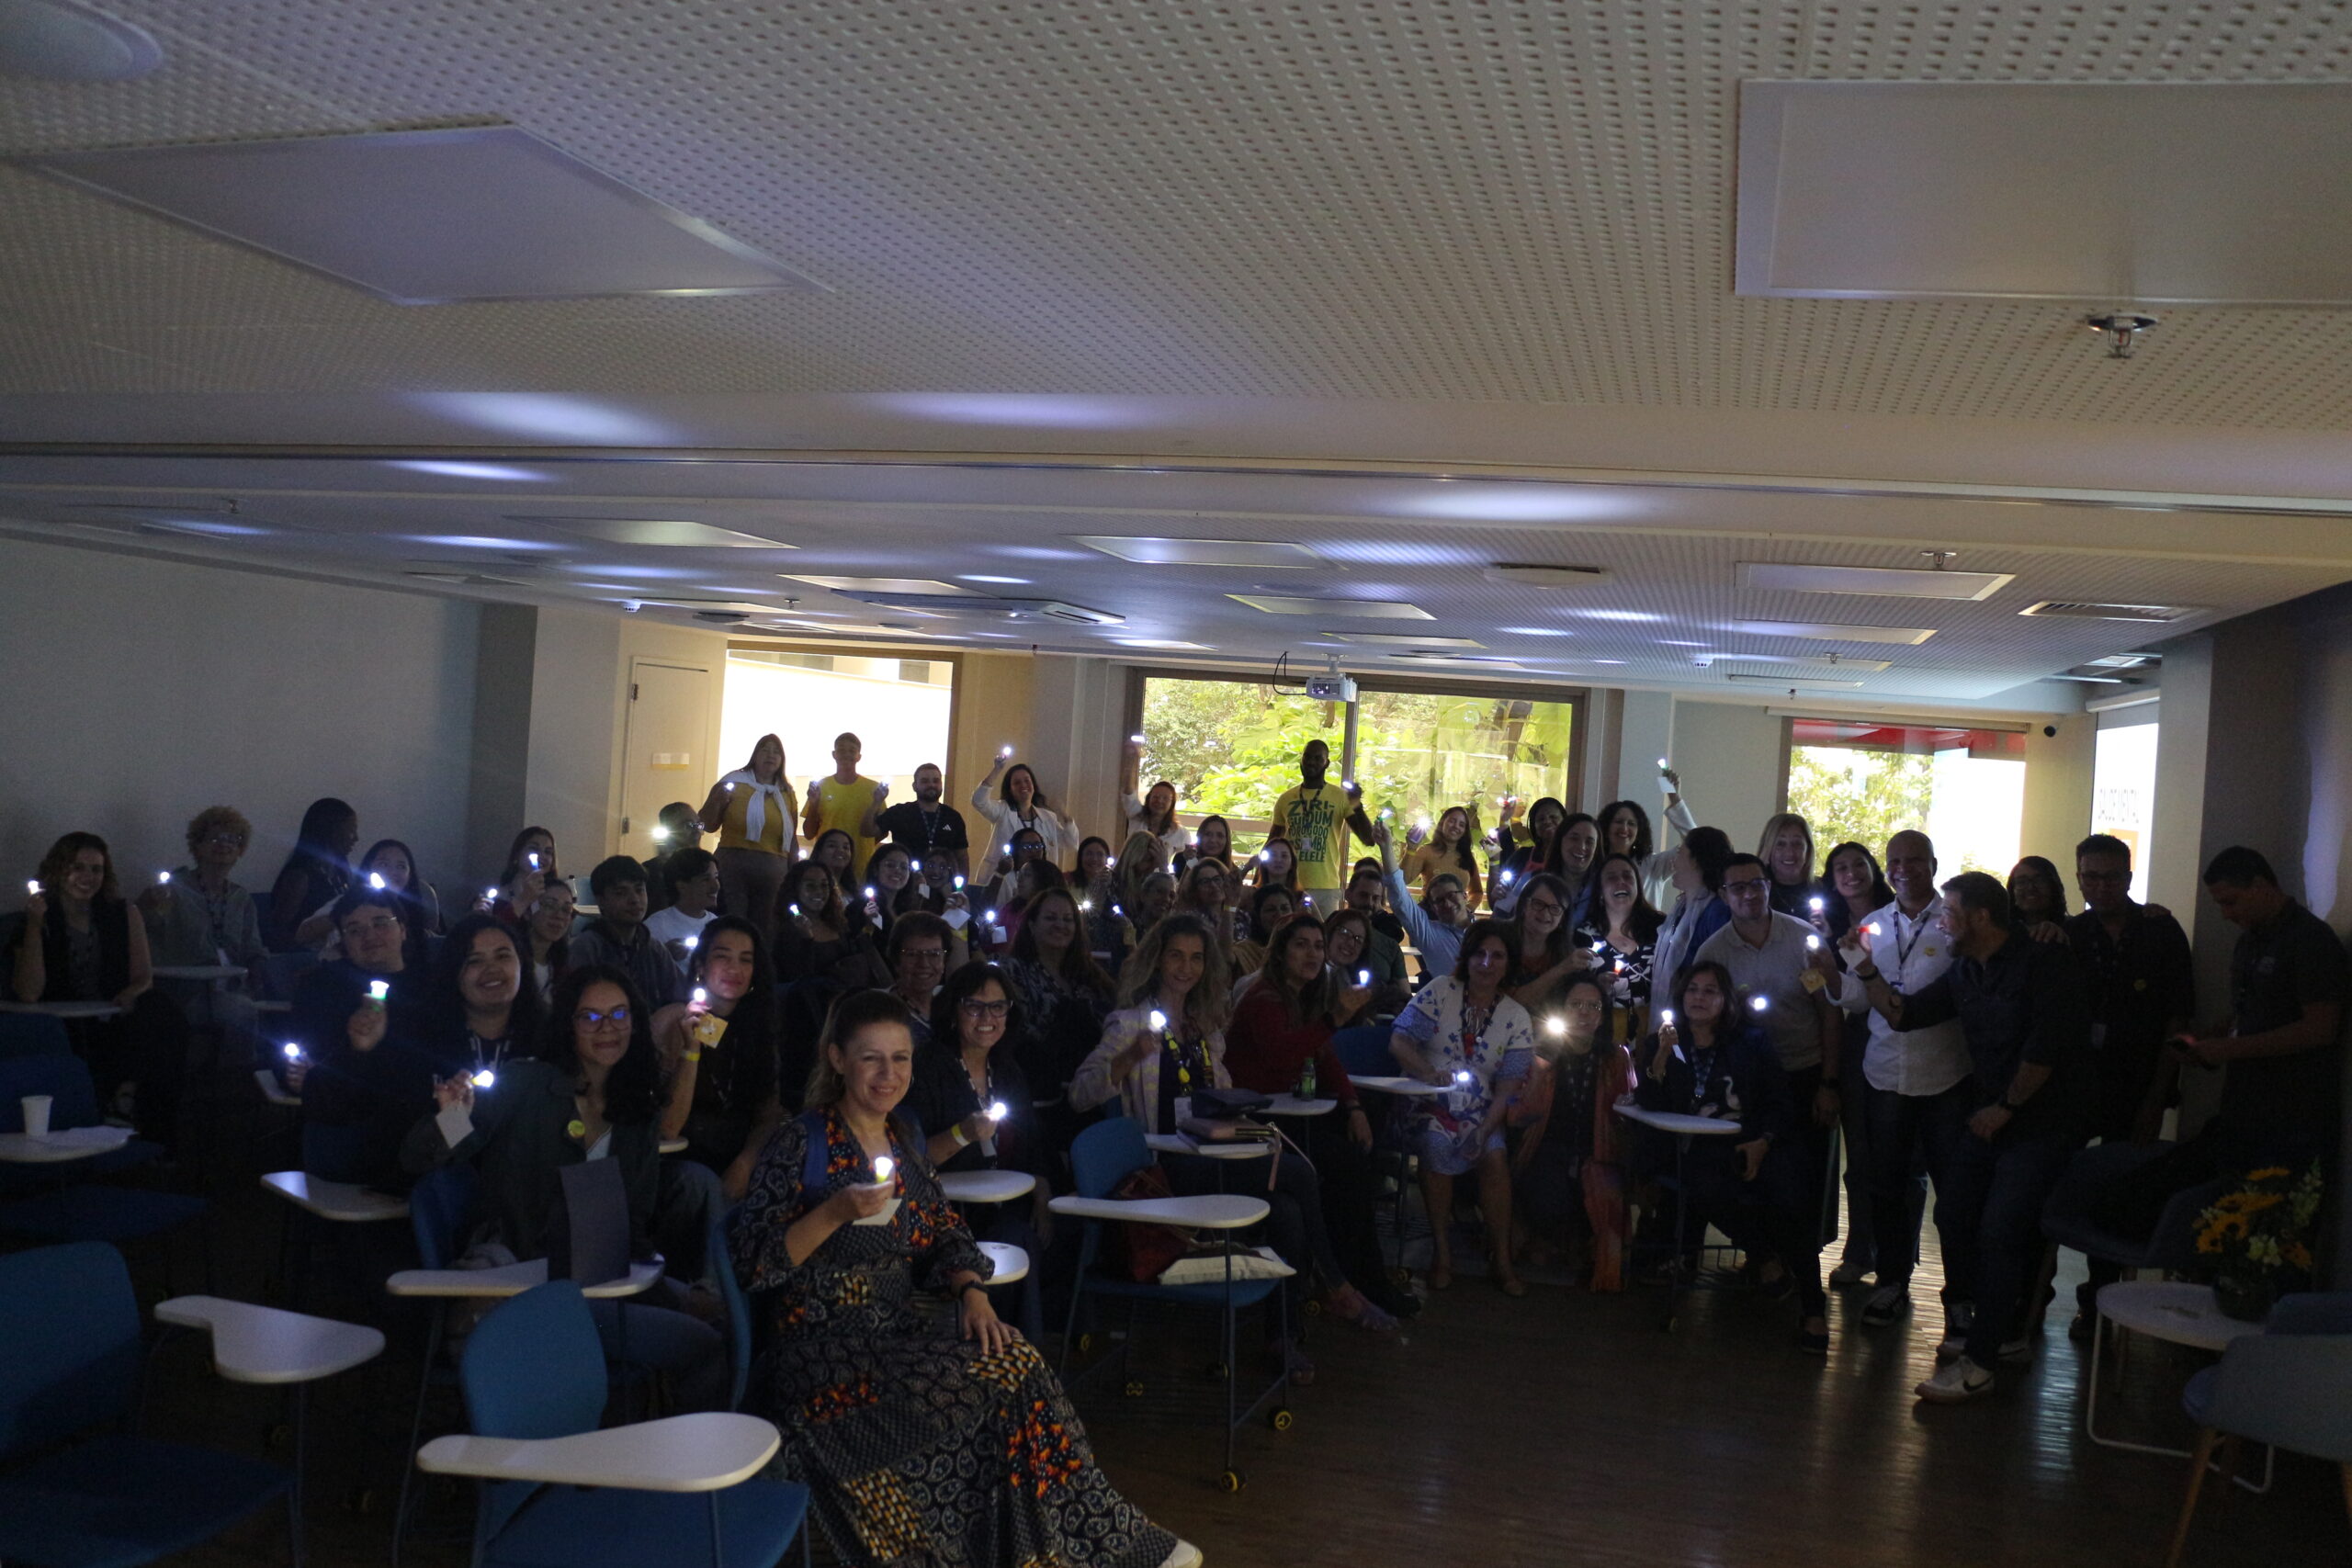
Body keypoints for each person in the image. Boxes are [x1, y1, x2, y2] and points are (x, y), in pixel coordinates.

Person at [731, 989, 1199, 1568]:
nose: (888, 1073)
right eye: (871, 1058)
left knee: (1017, 1364)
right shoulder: (800, 1143)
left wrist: (971, 1290)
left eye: (900, 1058)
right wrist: (833, 1213)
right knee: (996, 1388)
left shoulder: (901, 1137)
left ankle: (1085, 1539)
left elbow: (943, 1229)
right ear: (836, 1059)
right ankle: (1081, 1545)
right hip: (821, 1355)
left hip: (894, 1333)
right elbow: (754, 1264)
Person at [409, 966, 727, 1412]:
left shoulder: (638, 1107)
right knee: (698, 1340)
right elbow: (434, 1153)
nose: (607, 1029)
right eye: (590, 1017)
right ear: (568, 1025)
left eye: (618, 1015)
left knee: (715, 1323)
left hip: (601, 1279)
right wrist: (451, 1114)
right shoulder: (526, 1083)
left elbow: (632, 1220)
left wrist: (668, 1293)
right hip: (525, 1280)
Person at [1839, 872, 2093, 1401]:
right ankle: (1994, 1332)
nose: (1942, 922)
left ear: (1979, 918)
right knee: (1954, 1212)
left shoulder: (2045, 959)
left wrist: (2006, 1107)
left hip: (2041, 1123)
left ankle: (1981, 1359)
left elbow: (2045, 1049)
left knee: (2001, 1230)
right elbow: (1905, 1016)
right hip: (1990, 1117)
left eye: (1949, 913)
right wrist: (1864, 968)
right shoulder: (1965, 971)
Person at [1070, 915, 1344, 1382]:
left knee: (1287, 1212)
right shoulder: (1130, 1022)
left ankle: (1282, 1335)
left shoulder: (1205, 1026)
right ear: (1158, 959)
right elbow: (1080, 1093)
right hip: (1164, 1169)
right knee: (1298, 1174)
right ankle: (1336, 1284)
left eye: (1196, 957)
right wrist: (1130, 1057)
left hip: (1210, 1155)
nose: (1186, 967)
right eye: (1176, 955)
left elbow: (1223, 1092)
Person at [2086, 846, 2348, 1261]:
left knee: (2275, 1241)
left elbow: (2320, 1029)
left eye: (2231, 901)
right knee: (2223, 1228)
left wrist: (2226, 1048)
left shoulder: (2311, 941)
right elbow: (2252, 1016)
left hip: (2295, 1116)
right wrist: (2209, 1037)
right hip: (2245, 1110)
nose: (2225, 913)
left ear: (2261, 886)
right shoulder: (2251, 942)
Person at [1634, 960, 1827, 1350]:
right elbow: (1650, 1105)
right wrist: (1660, 1060)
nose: (1699, 998)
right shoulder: (1664, 1041)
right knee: (1705, 1186)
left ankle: (1813, 1309)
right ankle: (1766, 1259)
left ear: (1725, 1000)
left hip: (1753, 1139)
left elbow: (1779, 1101)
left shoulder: (1751, 1042)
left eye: (1710, 991)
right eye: (1693, 990)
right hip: (1697, 1146)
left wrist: (1764, 1141)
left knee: (1790, 1197)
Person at [1224, 914, 1404, 1325]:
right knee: (1341, 1167)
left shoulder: (1303, 998)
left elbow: (1324, 1057)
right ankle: (1342, 1281)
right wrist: (1334, 1019)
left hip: (1284, 1117)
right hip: (1252, 1122)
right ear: (1282, 952)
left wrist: (1354, 1107)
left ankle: (1361, 1276)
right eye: (1301, 944)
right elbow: (1283, 1055)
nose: (1311, 953)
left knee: (1356, 1161)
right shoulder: (1263, 998)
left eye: (1317, 946)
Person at [1691, 852, 1840, 1334]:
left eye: (1756, 885)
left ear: (1769, 886)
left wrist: (1828, 1082)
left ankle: (1805, 1288)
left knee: (1799, 1186)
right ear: (1723, 895)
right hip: (1747, 1084)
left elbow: (1828, 1012)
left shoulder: (1803, 939)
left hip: (1802, 1074)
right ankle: (1765, 1260)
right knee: (1736, 1179)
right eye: (1738, 888)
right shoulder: (1714, 951)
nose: (1749, 895)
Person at [1825, 830, 1968, 1321]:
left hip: (1946, 1075)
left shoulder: (1954, 922)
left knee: (1953, 1194)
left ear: (1933, 862)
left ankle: (1961, 1298)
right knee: (1886, 1184)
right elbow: (1856, 998)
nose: (1903, 869)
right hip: (1884, 1075)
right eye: (1895, 862)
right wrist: (1834, 972)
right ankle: (1891, 1282)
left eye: (1914, 860)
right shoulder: (1872, 924)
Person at [2055, 832, 2194, 1337]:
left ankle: (2099, 1305)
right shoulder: (2071, 934)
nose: (2100, 885)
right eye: (2090, 876)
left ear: (2129, 878)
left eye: (2111, 876)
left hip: (2136, 1085)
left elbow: (2178, 1020)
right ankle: (2035, 1296)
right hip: (2074, 1087)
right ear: (2078, 878)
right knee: (2058, 1181)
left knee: (2117, 1193)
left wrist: (2158, 1097)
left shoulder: (2160, 932)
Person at [904, 961, 1054, 1334]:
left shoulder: (1006, 1069)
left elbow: (1031, 1141)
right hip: (945, 1211)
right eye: (975, 1006)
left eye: (998, 1007)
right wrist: (963, 1133)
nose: (987, 1017)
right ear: (954, 1010)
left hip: (1001, 1202)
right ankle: (1015, 1347)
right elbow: (912, 1158)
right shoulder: (927, 1068)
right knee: (1013, 1239)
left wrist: (1042, 1196)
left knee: (1039, 1232)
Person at [12, 831, 187, 1141]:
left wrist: (131, 993)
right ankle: (115, 1104)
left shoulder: (122, 912)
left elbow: (143, 976)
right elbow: (29, 992)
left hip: (112, 1011)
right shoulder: (38, 916)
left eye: (96, 869)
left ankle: (144, 1114)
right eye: (77, 867)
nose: (87, 877)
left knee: (163, 1011)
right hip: (63, 1018)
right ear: (59, 869)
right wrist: (35, 926)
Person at [1389, 919, 1532, 1293]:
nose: (1487, 963)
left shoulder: (1516, 1016)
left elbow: (1508, 1087)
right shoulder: (1440, 992)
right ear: (1467, 956)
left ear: (1509, 962)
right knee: (1435, 1146)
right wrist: (1428, 1072)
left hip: (1483, 1111)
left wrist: (1487, 1127)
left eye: (1497, 956)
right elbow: (1400, 1042)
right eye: (1480, 953)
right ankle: (1442, 1253)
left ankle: (1501, 1259)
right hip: (1428, 1102)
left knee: (1495, 1156)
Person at [1806, 840, 1901, 1289]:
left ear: (1873, 870)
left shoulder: (1895, 916)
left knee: (1898, 1158)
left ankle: (1895, 1260)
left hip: (1899, 1036)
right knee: (1859, 1154)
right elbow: (1828, 988)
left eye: (1858, 864)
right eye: (1839, 867)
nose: (1850, 873)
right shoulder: (1830, 925)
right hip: (1853, 1042)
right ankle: (1860, 1249)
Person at [291, 884, 431, 1188]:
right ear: (343, 942)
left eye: (381, 923)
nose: (369, 936)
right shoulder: (323, 988)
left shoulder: (432, 988)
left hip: (426, 1124)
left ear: (403, 930)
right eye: (354, 930)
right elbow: (306, 1064)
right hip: (352, 1129)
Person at [1510, 972, 1632, 1290]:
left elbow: (1627, 1109)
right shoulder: (1541, 1051)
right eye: (1575, 1004)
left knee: (1603, 1194)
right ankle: (1547, 1238)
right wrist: (1540, 1068)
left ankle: (1576, 1246)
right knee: (1549, 1193)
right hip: (1546, 1148)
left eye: (1593, 1006)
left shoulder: (1615, 1057)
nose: (1584, 1012)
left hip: (1596, 1152)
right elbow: (1519, 1113)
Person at [654, 916, 784, 1197]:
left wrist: (745, 1163)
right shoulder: (673, 1021)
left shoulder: (756, 1031)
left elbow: (768, 1114)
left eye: (745, 960)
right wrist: (692, 1050)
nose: (734, 968)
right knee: (699, 1183)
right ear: (701, 966)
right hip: (681, 1159)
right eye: (722, 956)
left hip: (738, 1153)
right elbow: (667, 1128)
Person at [139, 805, 269, 987]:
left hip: (232, 987)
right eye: (214, 838)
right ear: (197, 846)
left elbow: (253, 948)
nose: (224, 844)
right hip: (182, 988)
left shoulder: (241, 898)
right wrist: (147, 906)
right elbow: (144, 932)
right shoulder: (173, 891)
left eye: (232, 839)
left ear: (240, 849)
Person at [410, 914, 546, 1086]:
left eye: (502, 956)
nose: (491, 969)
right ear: (453, 971)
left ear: (521, 964)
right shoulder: (421, 1042)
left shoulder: (549, 1038)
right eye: (475, 961)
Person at [700, 733, 799, 946]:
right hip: (733, 866)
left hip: (774, 871)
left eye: (776, 751)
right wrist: (718, 801)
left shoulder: (786, 793)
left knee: (766, 928)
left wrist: (795, 873)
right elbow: (707, 825)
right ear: (755, 755)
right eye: (765, 749)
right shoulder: (733, 782)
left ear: (782, 760)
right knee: (732, 922)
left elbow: (791, 838)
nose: (770, 755)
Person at [569, 855, 682, 1009]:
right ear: (601, 901)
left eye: (639, 890)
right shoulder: (588, 947)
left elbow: (679, 998)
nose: (634, 899)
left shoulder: (653, 948)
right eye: (621, 893)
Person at [1372, 819, 1467, 984]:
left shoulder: (1485, 930)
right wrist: (1386, 846)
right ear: (1433, 907)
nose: (1448, 904)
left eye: (1452, 895)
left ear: (1464, 896)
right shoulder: (1429, 934)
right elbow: (1400, 896)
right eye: (1439, 901)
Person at [1647, 825, 1735, 1004]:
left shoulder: (1717, 911)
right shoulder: (1682, 908)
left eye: (1680, 853)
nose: (1674, 862)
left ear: (1696, 861)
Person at [774, 860, 889, 990]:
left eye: (824, 885)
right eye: (810, 886)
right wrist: (807, 940)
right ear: (795, 889)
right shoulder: (786, 931)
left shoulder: (838, 924)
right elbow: (795, 978)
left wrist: (869, 924)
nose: (819, 891)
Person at [1266, 739, 1352, 910]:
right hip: (1291, 882)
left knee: (1325, 934)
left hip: (1326, 884)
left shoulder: (1340, 797)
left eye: (1318, 758)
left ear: (1327, 763)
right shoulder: (1286, 798)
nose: (1311, 762)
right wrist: (1263, 877)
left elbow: (1364, 833)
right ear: (1301, 759)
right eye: (1307, 757)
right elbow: (1273, 841)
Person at [1577, 852, 1664, 1021]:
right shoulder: (1584, 936)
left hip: (1654, 1029)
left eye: (1627, 876)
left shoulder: (1660, 928)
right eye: (1611, 878)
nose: (1621, 882)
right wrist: (1597, 987)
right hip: (1605, 1029)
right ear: (1600, 891)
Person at [1599, 768, 1698, 911]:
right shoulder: (1594, 865)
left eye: (1631, 824)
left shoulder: (1654, 865)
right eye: (1618, 822)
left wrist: (1674, 796)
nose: (1624, 829)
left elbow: (1697, 842)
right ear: (1606, 827)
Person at [266, 796, 357, 951]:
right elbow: (279, 935)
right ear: (331, 831)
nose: (356, 838)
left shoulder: (340, 873)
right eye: (351, 831)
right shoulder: (299, 878)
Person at [865, 760, 970, 881]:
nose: (931, 785)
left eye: (936, 781)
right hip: (904, 883)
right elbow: (867, 831)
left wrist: (960, 888)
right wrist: (877, 801)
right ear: (914, 786)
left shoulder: (953, 817)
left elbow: (962, 857)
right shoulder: (899, 812)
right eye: (925, 781)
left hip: (942, 886)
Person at [973, 753, 1078, 872]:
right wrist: (997, 770)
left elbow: (1071, 843)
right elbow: (978, 801)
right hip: (1006, 878)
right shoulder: (1003, 810)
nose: (1023, 785)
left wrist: (1064, 815)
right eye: (1017, 783)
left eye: (1027, 781)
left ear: (1033, 785)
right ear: (1010, 789)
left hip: (1039, 878)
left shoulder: (1048, 817)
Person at [801, 731, 882, 878]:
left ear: (859, 756)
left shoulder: (874, 789)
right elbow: (808, 833)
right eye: (842, 750)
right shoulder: (821, 787)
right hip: (826, 870)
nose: (847, 754)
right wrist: (813, 804)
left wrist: (862, 844)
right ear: (834, 754)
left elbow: (882, 831)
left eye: (852, 751)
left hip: (861, 869)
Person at [1501, 872, 1587, 1011]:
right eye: (1538, 904)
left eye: (1555, 909)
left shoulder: (1565, 953)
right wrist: (1561, 970)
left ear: (1562, 918)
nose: (1545, 914)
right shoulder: (1497, 942)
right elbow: (1510, 1004)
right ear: (1523, 905)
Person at [880, 911, 957, 1049]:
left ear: (944, 961)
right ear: (896, 960)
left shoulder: (951, 1005)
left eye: (934, 954)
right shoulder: (881, 1012)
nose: (924, 964)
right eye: (912, 954)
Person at [644, 847, 720, 974]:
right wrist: (663, 954)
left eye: (716, 877)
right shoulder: (656, 927)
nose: (715, 886)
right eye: (705, 879)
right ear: (682, 886)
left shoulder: (717, 925)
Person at [1118, 739, 1191, 866]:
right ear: (1149, 798)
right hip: (1128, 874)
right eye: (1156, 797)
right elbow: (1128, 791)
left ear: (1172, 803)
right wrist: (1133, 759)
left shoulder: (1180, 833)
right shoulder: (1136, 816)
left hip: (1158, 881)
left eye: (1165, 798)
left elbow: (1186, 863)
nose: (1159, 801)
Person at [1490, 796, 1567, 912]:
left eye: (1553, 817)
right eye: (1541, 819)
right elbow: (1497, 901)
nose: (1547, 821)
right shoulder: (1522, 856)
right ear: (1534, 826)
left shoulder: (1570, 860)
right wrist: (1498, 893)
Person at [1401, 804, 1485, 909]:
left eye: (1461, 825)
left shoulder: (1467, 857)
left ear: (1465, 831)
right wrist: (1411, 849)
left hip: (1457, 920)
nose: (1456, 826)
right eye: (1452, 821)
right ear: (1442, 823)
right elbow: (1404, 879)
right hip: (1431, 917)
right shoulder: (1426, 851)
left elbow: (1477, 892)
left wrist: (1468, 909)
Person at [641, 801, 703, 913]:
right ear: (669, 830)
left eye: (698, 824)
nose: (697, 830)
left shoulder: (709, 868)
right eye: (688, 825)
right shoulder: (650, 870)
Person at [519, 881, 574, 1002]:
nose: (559, 915)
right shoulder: (514, 963)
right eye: (550, 905)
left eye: (566, 909)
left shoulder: (563, 966)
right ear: (528, 912)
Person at [1758, 813, 1818, 919]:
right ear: (1768, 849)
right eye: (1780, 844)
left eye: (1797, 844)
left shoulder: (1824, 891)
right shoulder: (1755, 894)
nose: (1789, 853)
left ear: (1808, 850)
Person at [2007, 855, 2069, 935]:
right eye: (2022, 882)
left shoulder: (2074, 929)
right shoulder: (2001, 934)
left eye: (2039, 881)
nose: (2031, 888)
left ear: (2053, 886)